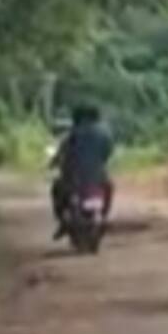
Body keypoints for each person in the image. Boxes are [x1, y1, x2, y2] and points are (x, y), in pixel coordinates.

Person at [51, 103, 115, 241]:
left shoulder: (72, 134)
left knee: (57, 190)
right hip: (98, 177)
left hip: (74, 178)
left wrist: (55, 163)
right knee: (109, 189)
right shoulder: (105, 134)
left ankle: (63, 222)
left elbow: (62, 154)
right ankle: (102, 217)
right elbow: (108, 153)